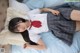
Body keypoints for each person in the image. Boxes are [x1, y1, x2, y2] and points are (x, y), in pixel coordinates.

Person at [8, 7, 80, 50]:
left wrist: (51, 10)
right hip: (58, 26)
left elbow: (42, 9)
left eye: (18, 26)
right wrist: (29, 46)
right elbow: (43, 47)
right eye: (18, 30)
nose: (20, 29)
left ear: (19, 21)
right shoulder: (31, 34)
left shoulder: (29, 14)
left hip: (57, 14)